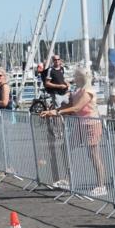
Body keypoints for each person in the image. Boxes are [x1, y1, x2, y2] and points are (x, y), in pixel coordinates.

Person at [42, 67, 107, 197]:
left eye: (76, 76)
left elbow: (77, 107)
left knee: (93, 154)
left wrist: (58, 112)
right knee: (66, 147)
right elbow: (69, 105)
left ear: (81, 77)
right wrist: (53, 111)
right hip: (79, 124)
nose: (74, 78)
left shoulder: (88, 91)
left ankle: (101, 185)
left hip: (91, 124)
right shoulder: (77, 91)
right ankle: (67, 179)